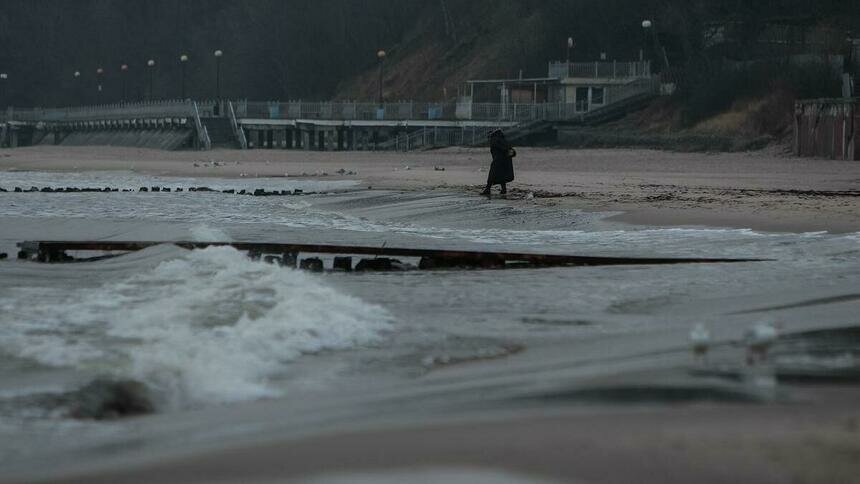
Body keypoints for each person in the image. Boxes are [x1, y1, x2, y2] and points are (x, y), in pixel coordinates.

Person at [481, 129, 516, 197]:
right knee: (502, 175)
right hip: (505, 160)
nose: (488, 139)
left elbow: (504, 149)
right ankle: (503, 190)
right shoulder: (503, 139)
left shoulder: (494, 140)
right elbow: (510, 150)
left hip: (498, 160)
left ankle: (487, 189)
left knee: (492, 174)